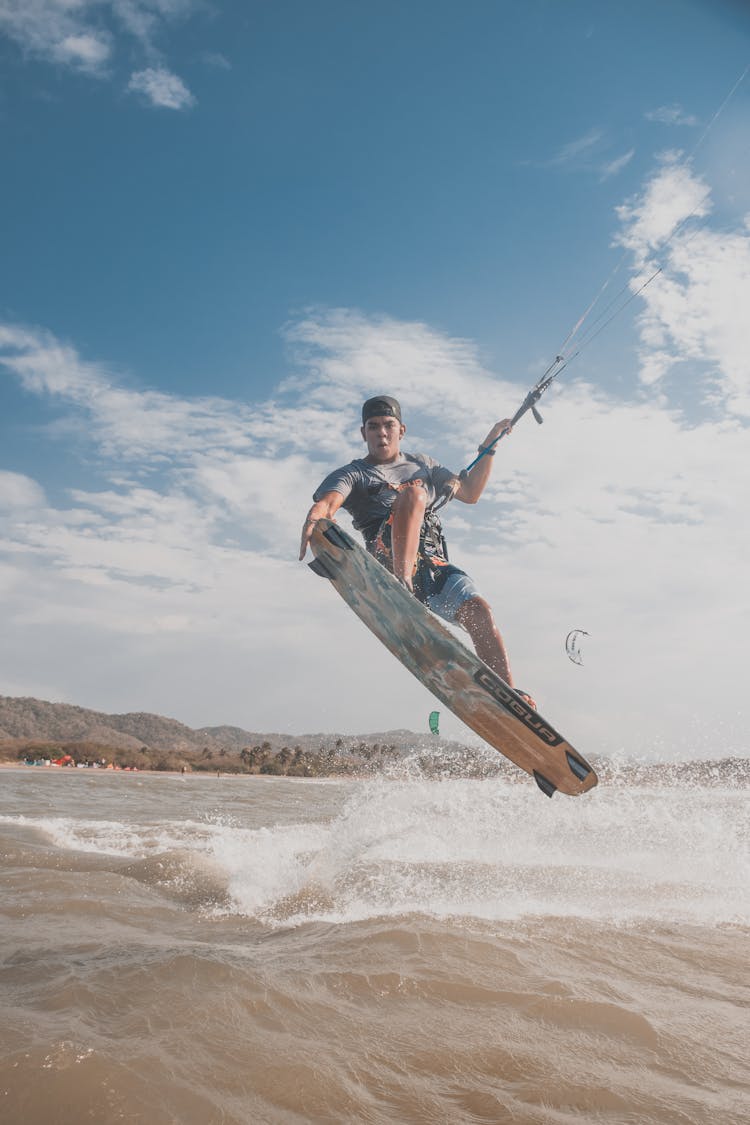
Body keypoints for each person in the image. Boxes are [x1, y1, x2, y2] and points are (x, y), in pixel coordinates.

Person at [299, 395, 535, 705]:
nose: (381, 433)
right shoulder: (353, 474)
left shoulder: (424, 464)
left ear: (402, 430)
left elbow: (470, 492)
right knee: (413, 496)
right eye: (373, 427)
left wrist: (489, 445)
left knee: (479, 613)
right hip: (387, 562)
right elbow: (329, 502)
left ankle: (508, 698)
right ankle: (403, 585)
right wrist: (315, 519)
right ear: (363, 433)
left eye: (388, 426)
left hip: (433, 566)